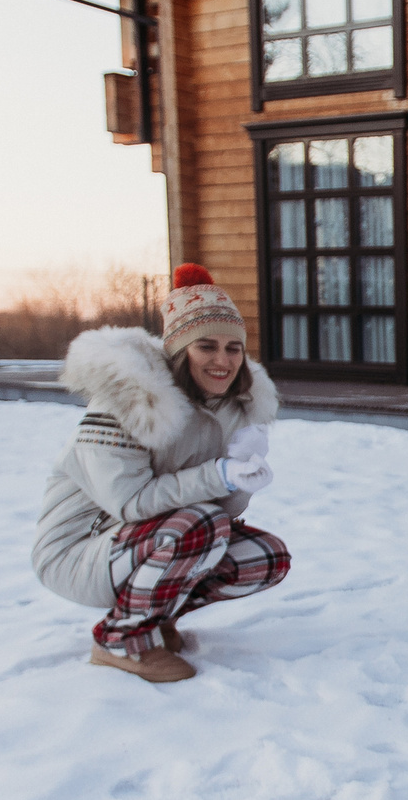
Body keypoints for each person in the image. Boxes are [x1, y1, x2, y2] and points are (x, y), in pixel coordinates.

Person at [33, 264, 289, 684]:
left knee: (265, 557)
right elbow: (130, 502)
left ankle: (154, 616)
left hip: (150, 542)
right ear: (178, 350)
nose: (223, 360)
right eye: (206, 346)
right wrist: (220, 473)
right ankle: (119, 639)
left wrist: (243, 479)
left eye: (233, 348)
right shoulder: (125, 402)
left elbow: (218, 507)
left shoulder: (228, 406)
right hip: (79, 549)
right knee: (200, 525)